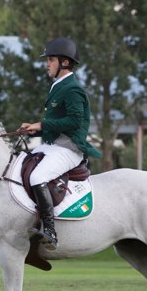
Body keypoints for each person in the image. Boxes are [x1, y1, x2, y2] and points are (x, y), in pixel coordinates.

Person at [19, 37, 101, 250]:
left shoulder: (73, 89)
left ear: (64, 62)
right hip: (53, 145)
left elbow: (74, 121)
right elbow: (56, 123)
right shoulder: (57, 86)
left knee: (37, 176)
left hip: (69, 148)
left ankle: (50, 230)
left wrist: (42, 124)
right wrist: (35, 129)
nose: (47, 64)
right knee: (20, 163)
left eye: (51, 59)